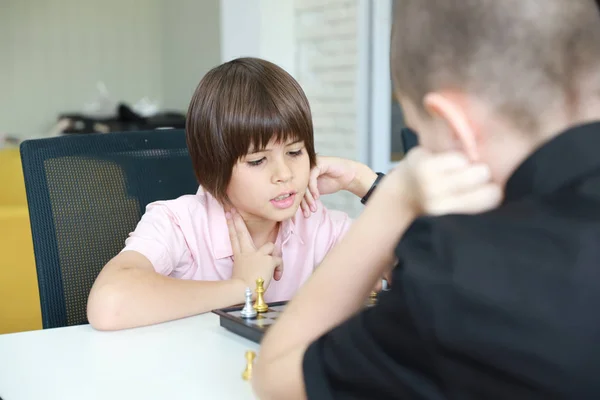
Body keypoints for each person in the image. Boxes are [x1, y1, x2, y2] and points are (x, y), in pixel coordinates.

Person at [253, 0, 600, 398]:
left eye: (420, 135)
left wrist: (397, 199)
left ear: (455, 128)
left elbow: (277, 375)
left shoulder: (463, 276)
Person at [86, 57, 380, 331]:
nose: (284, 174)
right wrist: (243, 287)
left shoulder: (314, 221)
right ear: (214, 169)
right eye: (257, 160)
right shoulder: (179, 223)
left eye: (295, 151)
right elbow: (109, 304)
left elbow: (418, 270)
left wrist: (362, 181)